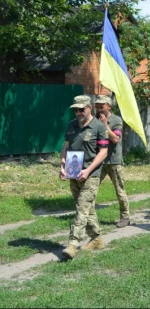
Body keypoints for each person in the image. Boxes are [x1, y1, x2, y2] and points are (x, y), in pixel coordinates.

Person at [60, 95, 109, 260]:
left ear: (90, 108)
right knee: (87, 209)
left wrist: (88, 171)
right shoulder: (71, 126)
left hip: (91, 175)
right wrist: (62, 165)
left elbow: (103, 152)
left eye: (82, 109)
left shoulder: (99, 127)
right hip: (73, 173)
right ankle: (96, 238)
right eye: (76, 110)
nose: (78, 113)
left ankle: (72, 244)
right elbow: (66, 148)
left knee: (82, 209)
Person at [95, 95, 130, 228]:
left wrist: (104, 125)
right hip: (99, 160)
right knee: (91, 188)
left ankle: (125, 217)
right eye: (97, 106)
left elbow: (115, 139)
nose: (99, 109)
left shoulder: (116, 120)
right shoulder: (94, 119)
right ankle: (86, 215)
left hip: (113, 160)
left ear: (109, 106)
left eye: (101, 106)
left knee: (120, 190)